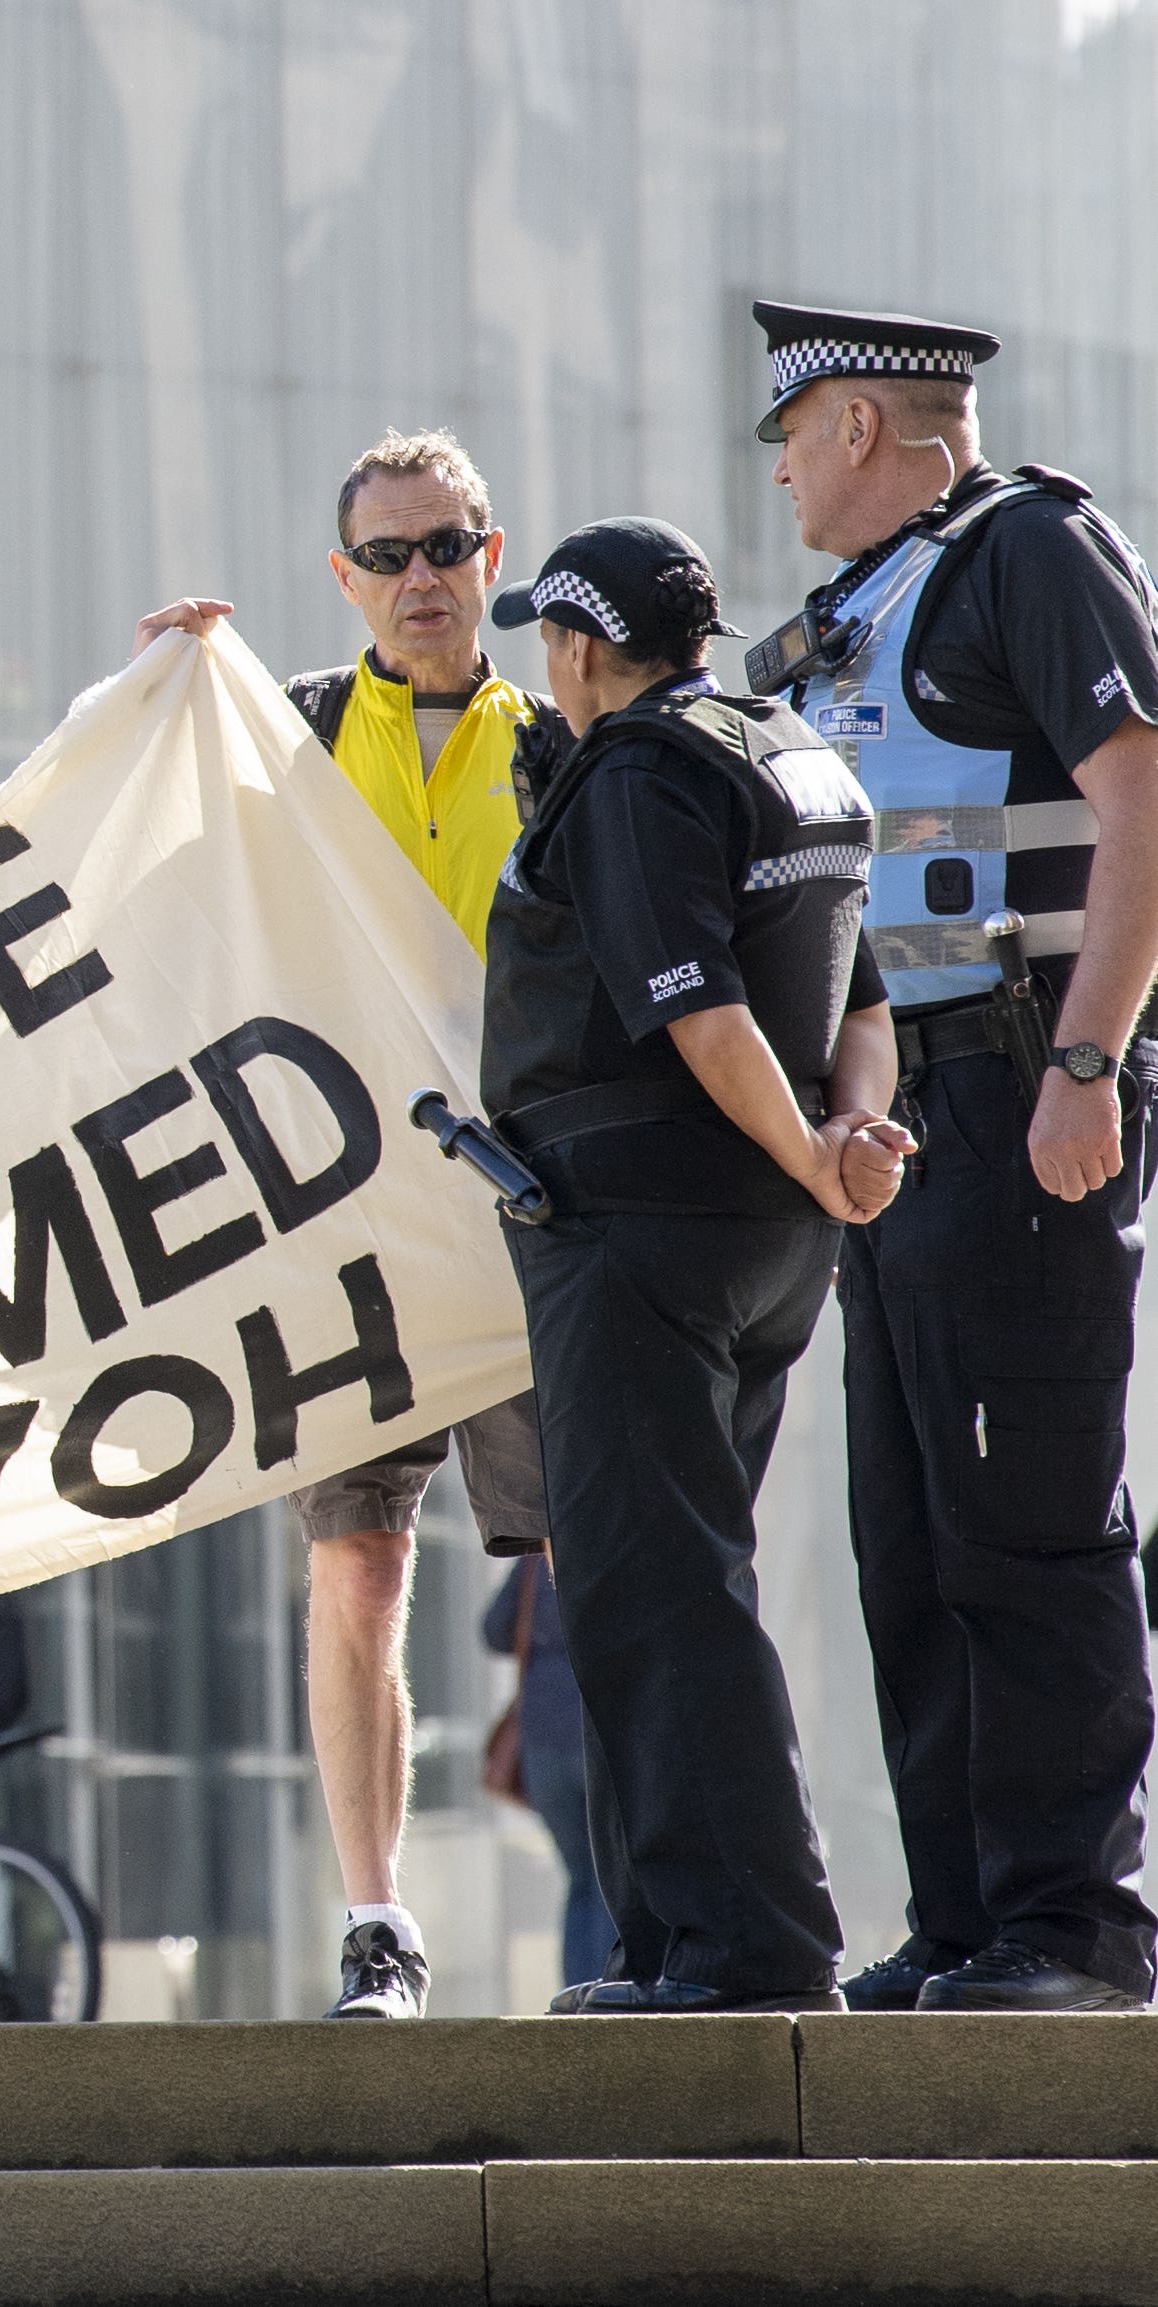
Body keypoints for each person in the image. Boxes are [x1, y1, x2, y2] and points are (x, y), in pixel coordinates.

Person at [751, 301, 1158, 2014]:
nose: (775, 476)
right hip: (896, 1120)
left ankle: (1074, 1927)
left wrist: (1090, 1057)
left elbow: (1144, 794)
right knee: (911, 1535)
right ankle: (970, 1918)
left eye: (786, 439)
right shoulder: (849, 612)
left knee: (1029, 1519)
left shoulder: (1034, 555)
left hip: (1014, 1091)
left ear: (853, 422)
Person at [133, 429, 567, 2019]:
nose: (419, 581)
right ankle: (376, 1922)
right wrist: (164, 699)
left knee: (599, 1561)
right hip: (351, 1220)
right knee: (358, 1562)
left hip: (535, 1207)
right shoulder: (299, 730)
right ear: (345, 580)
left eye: (444, 548)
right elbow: (129, 862)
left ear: (492, 554)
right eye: (386, 558)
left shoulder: (562, 735)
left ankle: (665, 1896)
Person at [477, 517, 905, 2014]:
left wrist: (813, 1153)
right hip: (762, 1236)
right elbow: (865, 996)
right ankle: (664, 1943)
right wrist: (845, 1140)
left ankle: (744, 1952)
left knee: (655, 1591)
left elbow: (701, 1008)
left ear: (586, 648)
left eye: (553, 641)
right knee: (664, 1578)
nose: (550, 665)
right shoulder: (795, 751)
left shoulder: (640, 771)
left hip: (644, 1228)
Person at [477, 1555, 610, 1992]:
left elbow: (494, 1630)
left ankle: (578, 1997)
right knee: (612, 1879)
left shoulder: (535, 1558)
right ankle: (611, 1994)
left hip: (542, 1750)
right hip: (599, 1738)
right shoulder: (611, 1537)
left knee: (580, 1877)